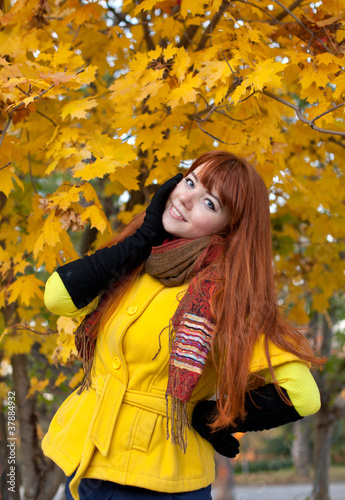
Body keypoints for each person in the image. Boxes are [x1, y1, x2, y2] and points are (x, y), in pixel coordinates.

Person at [42, 151, 323, 500]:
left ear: (230, 227)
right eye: (189, 182)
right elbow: (57, 298)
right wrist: (144, 235)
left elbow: (303, 395)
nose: (186, 199)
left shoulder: (224, 295)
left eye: (209, 203)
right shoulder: (140, 261)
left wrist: (215, 417)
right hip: (87, 461)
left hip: (155, 481)